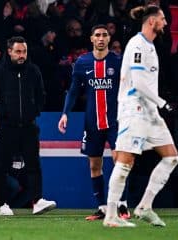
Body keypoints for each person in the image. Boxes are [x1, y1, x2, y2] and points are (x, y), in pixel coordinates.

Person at [103, 5, 178, 227]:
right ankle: (110, 215)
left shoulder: (150, 46)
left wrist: (156, 107)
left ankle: (145, 206)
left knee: (172, 157)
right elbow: (137, 83)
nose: (166, 23)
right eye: (162, 19)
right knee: (126, 161)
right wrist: (162, 103)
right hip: (134, 109)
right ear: (151, 21)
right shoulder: (137, 44)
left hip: (149, 111)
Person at [58, 24, 129, 221]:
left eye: (104, 35)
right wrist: (65, 113)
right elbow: (73, 90)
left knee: (120, 162)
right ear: (91, 39)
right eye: (97, 35)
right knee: (94, 165)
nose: (100, 38)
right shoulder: (82, 62)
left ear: (109, 38)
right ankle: (103, 207)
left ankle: (122, 205)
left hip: (116, 122)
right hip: (92, 122)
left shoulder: (118, 61)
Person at [0, 36, 56, 216]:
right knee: (3, 166)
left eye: (24, 51)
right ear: (9, 51)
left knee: (34, 165)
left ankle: (38, 201)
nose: (21, 55)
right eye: (18, 51)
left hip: (29, 126)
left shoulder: (33, 71)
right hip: (7, 127)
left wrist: (35, 111)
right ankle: (3, 204)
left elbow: (41, 95)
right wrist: (4, 112)